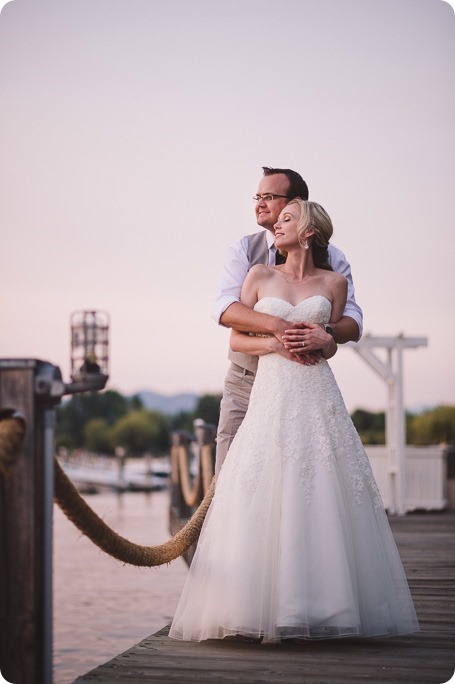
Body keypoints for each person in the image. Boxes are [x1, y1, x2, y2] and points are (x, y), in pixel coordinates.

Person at [169, 198, 419, 643]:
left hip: (318, 392)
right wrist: (275, 345)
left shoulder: (335, 281)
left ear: (308, 232)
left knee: (323, 488)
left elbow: (340, 338)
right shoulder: (259, 275)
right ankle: (247, 603)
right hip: (271, 390)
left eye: (286, 219)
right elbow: (237, 336)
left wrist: (324, 340)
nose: (275, 224)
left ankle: (326, 606)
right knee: (260, 484)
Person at [212, 167, 363, 477]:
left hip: (307, 383)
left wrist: (326, 334)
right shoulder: (246, 251)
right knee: (231, 476)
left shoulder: (334, 262)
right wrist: (277, 329)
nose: (260, 203)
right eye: (258, 196)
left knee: (309, 475)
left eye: (269, 196)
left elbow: (353, 322)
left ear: (297, 204)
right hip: (246, 377)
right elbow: (226, 309)